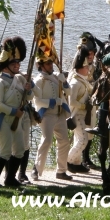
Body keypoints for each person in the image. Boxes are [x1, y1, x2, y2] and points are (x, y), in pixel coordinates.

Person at [0, 36, 33, 188]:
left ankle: (10, 179)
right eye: (14, 62)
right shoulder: (0, 82)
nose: (17, 65)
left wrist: (28, 88)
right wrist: (13, 111)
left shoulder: (18, 80)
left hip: (16, 120)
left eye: (18, 62)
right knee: (5, 151)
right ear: (6, 65)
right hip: (2, 120)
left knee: (19, 150)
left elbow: (29, 98)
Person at [31, 49, 73, 181]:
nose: (51, 65)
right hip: (47, 115)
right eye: (48, 64)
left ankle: (61, 170)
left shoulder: (57, 77)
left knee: (64, 141)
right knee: (47, 141)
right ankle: (36, 169)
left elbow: (69, 91)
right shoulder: (39, 80)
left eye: (51, 63)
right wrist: (53, 101)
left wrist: (64, 81)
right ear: (41, 66)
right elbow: (37, 101)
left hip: (60, 114)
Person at [67, 45, 94, 173]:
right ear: (80, 68)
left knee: (80, 139)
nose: (88, 69)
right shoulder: (75, 83)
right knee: (83, 140)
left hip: (84, 114)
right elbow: (71, 102)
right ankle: (67, 160)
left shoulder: (83, 81)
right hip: (77, 114)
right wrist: (84, 106)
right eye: (86, 67)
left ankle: (76, 163)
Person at [75, 32, 100, 170]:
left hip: (91, 103)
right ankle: (76, 160)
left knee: (90, 131)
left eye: (92, 53)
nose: (90, 56)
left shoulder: (94, 65)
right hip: (80, 103)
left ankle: (86, 158)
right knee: (81, 133)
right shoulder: (78, 65)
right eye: (88, 53)